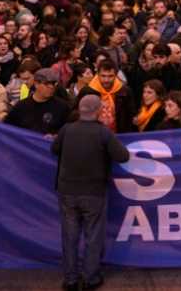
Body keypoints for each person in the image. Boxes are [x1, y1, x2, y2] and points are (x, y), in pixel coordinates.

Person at [51, 95, 130, 291]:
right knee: (93, 236)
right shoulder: (103, 133)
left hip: (67, 191)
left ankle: (70, 280)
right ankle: (91, 278)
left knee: (69, 236)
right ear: (98, 111)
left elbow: (54, 149)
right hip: (94, 192)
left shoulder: (67, 129)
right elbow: (123, 156)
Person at [5, 68, 71, 135]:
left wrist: (56, 136)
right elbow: (6, 128)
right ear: (36, 84)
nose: (51, 87)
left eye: (53, 83)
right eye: (47, 84)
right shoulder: (21, 106)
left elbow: (68, 131)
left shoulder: (62, 107)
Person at [77, 61, 136, 133]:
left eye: (110, 76)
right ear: (97, 74)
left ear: (116, 75)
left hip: (119, 135)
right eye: (103, 76)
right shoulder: (87, 91)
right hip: (93, 134)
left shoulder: (125, 91)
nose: (106, 80)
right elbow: (78, 114)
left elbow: (130, 115)